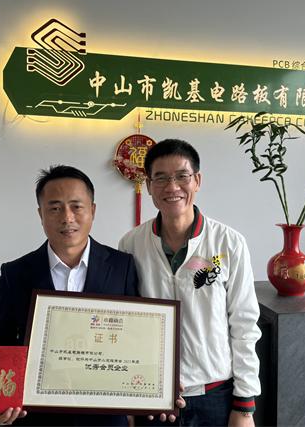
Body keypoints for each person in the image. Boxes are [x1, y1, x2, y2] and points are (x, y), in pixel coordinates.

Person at [119, 139, 261, 427]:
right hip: (153, 395)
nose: (172, 187)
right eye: (161, 178)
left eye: (182, 176)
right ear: (149, 186)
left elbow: (244, 324)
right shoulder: (131, 244)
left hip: (215, 395)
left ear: (197, 180)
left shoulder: (228, 243)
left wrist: (245, 405)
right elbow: (127, 325)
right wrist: (128, 402)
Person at [0, 165, 140, 426]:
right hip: (37, 417)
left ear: (93, 210)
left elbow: (137, 338)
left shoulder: (122, 266)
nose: (67, 218)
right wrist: (8, 395)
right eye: (55, 208)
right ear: (40, 214)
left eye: (76, 206)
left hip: (105, 416)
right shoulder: (15, 274)